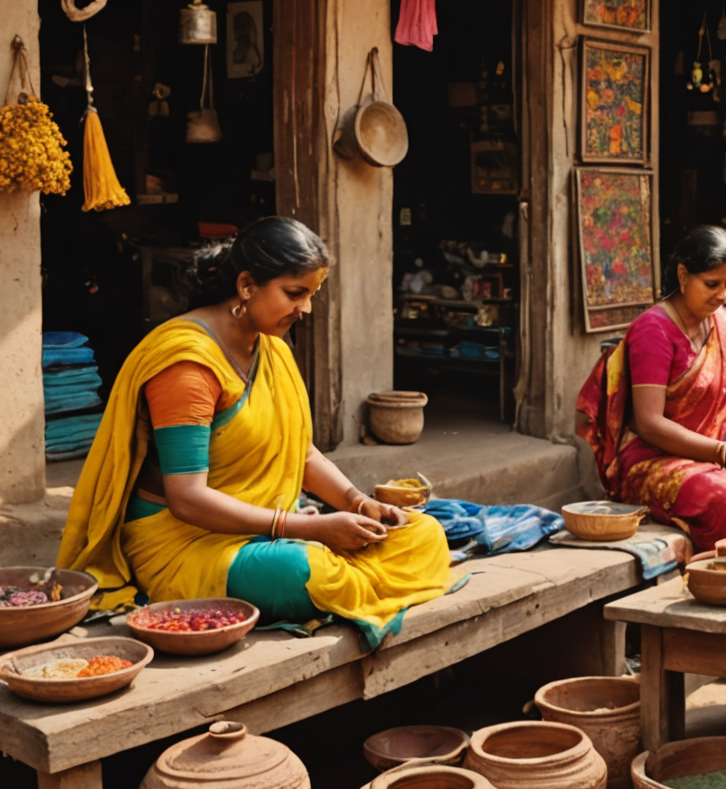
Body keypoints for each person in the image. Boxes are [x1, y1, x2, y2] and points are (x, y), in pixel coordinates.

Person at [57, 218, 454, 648]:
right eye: (295, 293)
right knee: (308, 571)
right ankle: (328, 574)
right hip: (185, 544)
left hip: (265, 533)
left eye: (311, 295)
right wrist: (311, 529)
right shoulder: (188, 364)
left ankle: (338, 569)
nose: (305, 309)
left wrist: (359, 503)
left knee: (424, 534)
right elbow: (187, 498)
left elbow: (301, 454)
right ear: (246, 285)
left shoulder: (272, 347)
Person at [576, 226, 726, 552]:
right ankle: (724, 574)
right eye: (712, 284)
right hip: (652, 461)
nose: (723, 295)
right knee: (722, 500)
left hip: (709, 458)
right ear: (683, 276)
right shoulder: (653, 330)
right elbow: (649, 423)